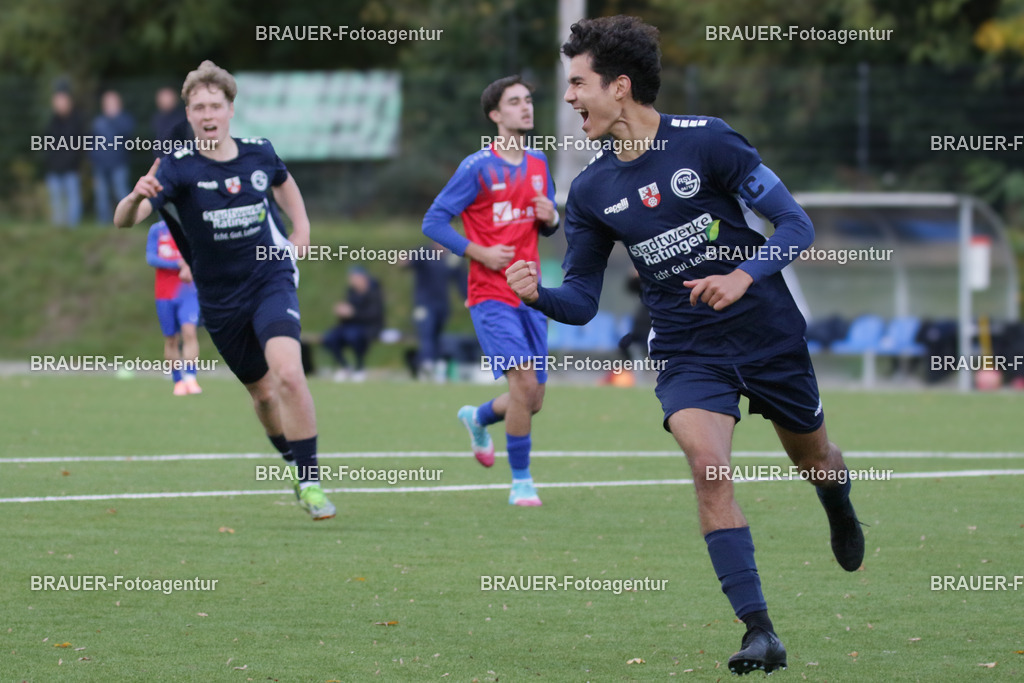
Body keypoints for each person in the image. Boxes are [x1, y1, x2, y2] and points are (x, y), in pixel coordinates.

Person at [506, 16, 864, 674]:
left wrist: (741, 274)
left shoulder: (710, 142)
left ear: (619, 87)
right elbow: (581, 301)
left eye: (577, 83)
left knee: (813, 457)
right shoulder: (590, 192)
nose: (568, 98)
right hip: (686, 347)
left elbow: (795, 223)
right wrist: (536, 296)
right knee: (709, 467)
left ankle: (836, 494)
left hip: (765, 332)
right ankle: (760, 629)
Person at [113, 60, 335, 521]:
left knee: (289, 374)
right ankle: (292, 462)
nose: (207, 114)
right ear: (189, 114)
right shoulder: (176, 168)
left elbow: (283, 182)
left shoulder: (258, 152)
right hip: (220, 300)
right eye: (198, 107)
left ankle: (312, 481)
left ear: (230, 109)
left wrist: (303, 226)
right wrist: (136, 197)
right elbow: (124, 220)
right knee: (264, 395)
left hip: (269, 278)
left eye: (215, 105)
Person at [422, 75, 559, 506]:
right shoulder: (477, 166)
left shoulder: (539, 163)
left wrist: (551, 216)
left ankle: (478, 417)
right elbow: (433, 222)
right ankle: (521, 481)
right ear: (496, 116)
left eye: (528, 100)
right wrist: (479, 252)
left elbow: (549, 226)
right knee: (522, 382)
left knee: (532, 398)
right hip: (490, 294)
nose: (526, 107)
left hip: (532, 295)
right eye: (515, 102)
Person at [146, 219, 202, 395]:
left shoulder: (191, 226)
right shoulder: (157, 230)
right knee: (171, 339)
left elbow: (199, 254)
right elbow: (151, 257)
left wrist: (189, 265)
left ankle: (191, 378)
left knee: (189, 332)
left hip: (187, 291)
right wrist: (178, 263)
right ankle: (178, 380)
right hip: (164, 293)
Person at [404, 241, 467, 381]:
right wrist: (405, 261)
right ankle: (427, 366)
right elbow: (407, 262)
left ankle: (436, 368)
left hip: (442, 305)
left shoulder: (452, 258)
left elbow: (461, 280)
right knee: (426, 334)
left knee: (437, 336)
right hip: (424, 304)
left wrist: (468, 297)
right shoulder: (424, 253)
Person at [322, 266, 384, 382]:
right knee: (330, 337)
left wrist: (353, 313)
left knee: (353, 336)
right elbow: (347, 314)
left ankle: (360, 367)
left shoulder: (374, 291)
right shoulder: (351, 291)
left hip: (369, 327)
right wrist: (342, 312)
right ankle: (345, 366)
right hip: (349, 326)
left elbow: (375, 314)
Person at [90, 90, 134, 224]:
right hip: (100, 165)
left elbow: (127, 134)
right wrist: (93, 157)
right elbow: (92, 142)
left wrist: (115, 118)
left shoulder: (125, 120)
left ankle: (129, 219)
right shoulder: (98, 122)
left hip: (118, 164)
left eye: (112, 102)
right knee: (101, 195)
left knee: (122, 193)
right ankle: (104, 223)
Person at [43, 90, 84, 228]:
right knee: (56, 202)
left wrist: (72, 161)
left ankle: (73, 229)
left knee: (73, 200)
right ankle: (58, 230)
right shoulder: (51, 122)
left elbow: (80, 146)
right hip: (54, 168)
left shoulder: (76, 121)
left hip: (71, 168)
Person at [151, 86, 191, 154]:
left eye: (167, 98)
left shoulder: (182, 118)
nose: (165, 101)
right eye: (163, 99)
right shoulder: (156, 117)